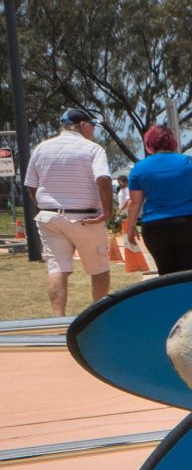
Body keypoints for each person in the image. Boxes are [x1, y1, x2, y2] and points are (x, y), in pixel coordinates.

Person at [26, 108, 118, 315]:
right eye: (92, 125)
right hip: (85, 216)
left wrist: (42, 204)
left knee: (57, 268)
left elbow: (31, 184)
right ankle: (98, 316)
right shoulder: (93, 149)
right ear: (84, 125)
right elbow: (103, 178)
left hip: (49, 216)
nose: (93, 130)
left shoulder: (42, 148)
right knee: (99, 268)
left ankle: (58, 320)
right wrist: (107, 211)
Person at [119, 124, 192, 273]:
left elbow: (135, 202)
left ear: (149, 143)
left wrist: (131, 228)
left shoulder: (139, 168)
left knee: (166, 275)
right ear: (172, 141)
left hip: (156, 227)